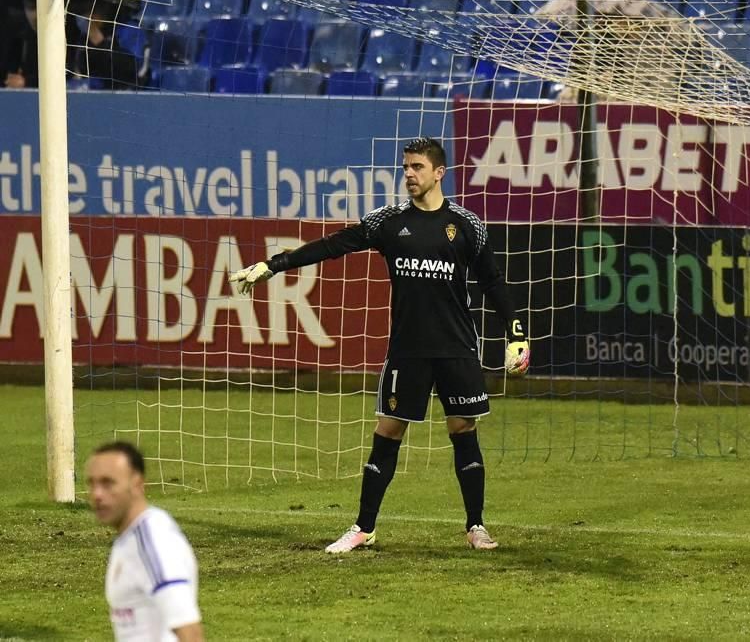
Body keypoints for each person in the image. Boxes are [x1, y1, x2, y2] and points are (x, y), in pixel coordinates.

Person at [230, 136, 530, 553]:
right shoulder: (388, 221)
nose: (408, 174)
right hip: (407, 349)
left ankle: (476, 526)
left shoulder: (467, 225)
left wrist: (516, 332)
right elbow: (334, 245)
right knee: (387, 430)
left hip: (457, 347)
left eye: (417, 167)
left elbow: (493, 282)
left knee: (463, 428)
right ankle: (363, 527)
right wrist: (273, 265)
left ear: (439, 173)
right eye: (405, 167)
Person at [86, 441, 204, 641]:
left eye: (108, 483)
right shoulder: (129, 538)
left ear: (137, 485)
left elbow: (189, 630)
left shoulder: (153, 542)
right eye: (92, 484)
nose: (97, 494)